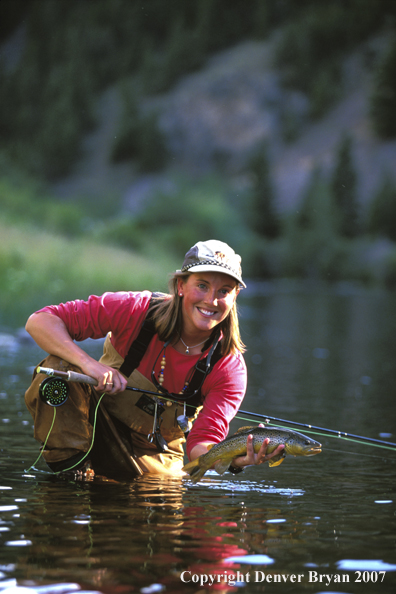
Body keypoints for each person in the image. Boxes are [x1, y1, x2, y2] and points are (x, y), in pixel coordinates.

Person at [25, 239, 284, 477]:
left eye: (224, 291)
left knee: (161, 505)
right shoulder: (135, 309)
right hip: (92, 419)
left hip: (154, 452)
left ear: (234, 296)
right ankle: (70, 476)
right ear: (181, 286)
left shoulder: (229, 367)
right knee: (56, 371)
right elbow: (40, 322)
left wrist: (236, 459)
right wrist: (89, 365)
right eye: (202, 286)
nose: (211, 300)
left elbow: (201, 445)